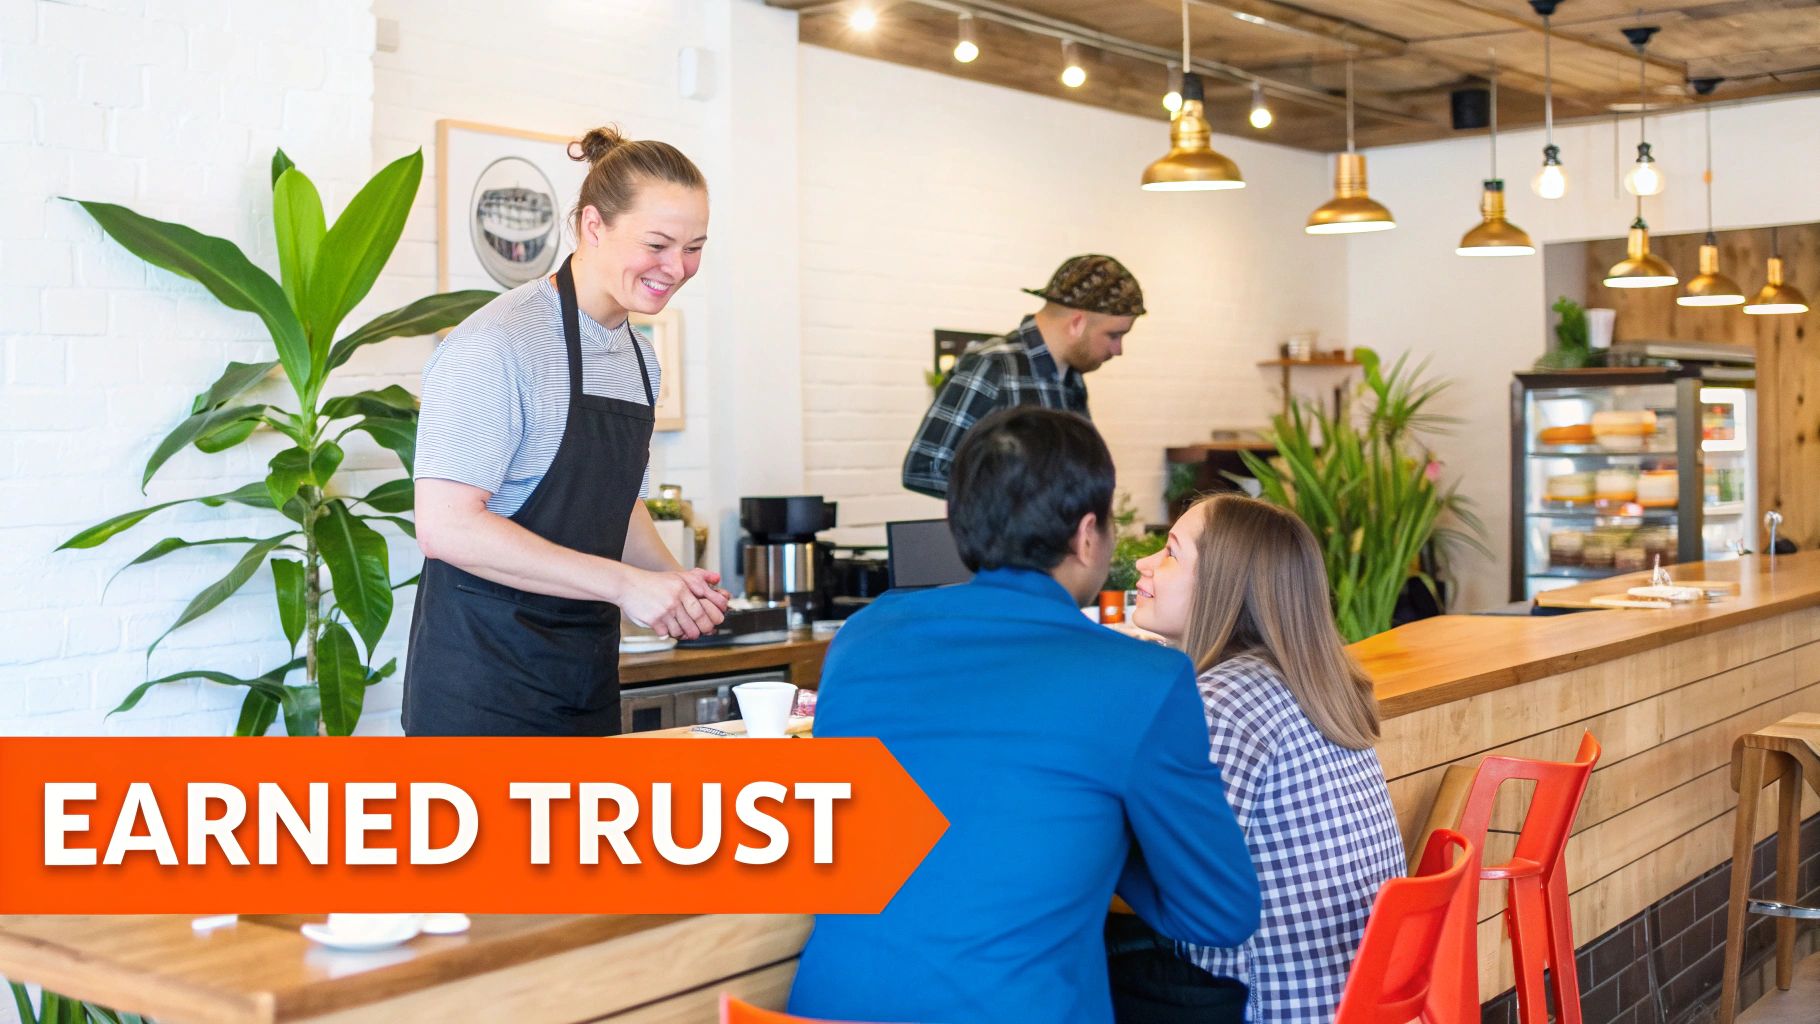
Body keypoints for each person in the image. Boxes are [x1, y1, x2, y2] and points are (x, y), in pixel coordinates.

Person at [790, 407, 1260, 1024]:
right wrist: (1099, 840)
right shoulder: (1140, 680)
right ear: (1088, 533)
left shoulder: (862, 636)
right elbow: (1219, 912)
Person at [402, 127, 729, 736]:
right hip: (482, 691)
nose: (677, 268)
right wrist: (624, 584)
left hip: (584, 675)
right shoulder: (497, 343)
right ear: (593, 226)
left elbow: (615, 501)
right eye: (657, 244)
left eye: (694, 247)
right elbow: (445, 528)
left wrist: (670, 585)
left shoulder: (638, 357)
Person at [1131, 493, 1407, 1024]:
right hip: (1351, 998)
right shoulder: (1312, 682)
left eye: (1169, 552)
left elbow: (1181, 877)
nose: (1145, 564)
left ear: (1222, 585)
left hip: (1267, 1005)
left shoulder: (1222, 702)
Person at [901, 254, 1144, 498]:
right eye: (1114, 335)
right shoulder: (993, 367)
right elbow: (924, 468)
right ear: (1077, 323)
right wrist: (1018, 505)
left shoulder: (1072, 380)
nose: (1118, 350)